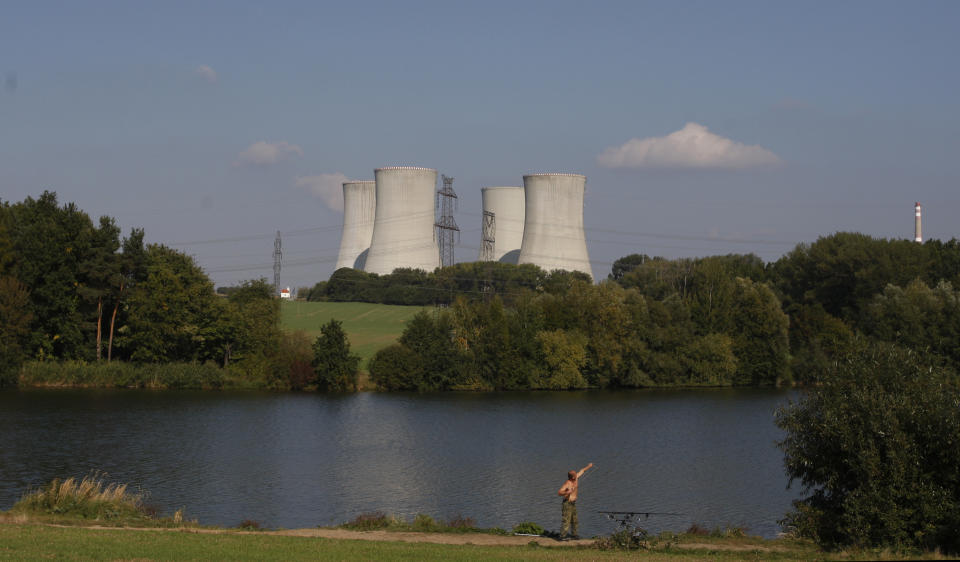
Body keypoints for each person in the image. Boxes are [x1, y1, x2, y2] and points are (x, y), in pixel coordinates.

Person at [557, 462, 594, 539]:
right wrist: (567, 492)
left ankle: (574, 535)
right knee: (566, 520)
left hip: (573, 503)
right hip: (567, 504)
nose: (577, 475)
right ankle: (562, 536)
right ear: (572, 477)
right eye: (575, 475)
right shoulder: (567, 483)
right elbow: (559, 492)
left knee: (575, 520)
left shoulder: (576, 478)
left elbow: (582, 471)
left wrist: (589, 466)